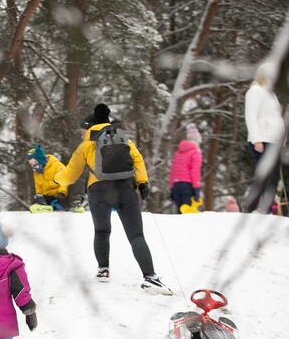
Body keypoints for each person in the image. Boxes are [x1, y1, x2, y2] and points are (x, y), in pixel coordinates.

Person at [55, 103, 172, 295]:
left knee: (102, 231)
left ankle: (103, 270)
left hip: (98, 191)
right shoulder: (124, 139)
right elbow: (138, 159)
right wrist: (143, 183)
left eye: (83, 130)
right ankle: (150, 277)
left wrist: (55, 178)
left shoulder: (86, 145)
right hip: (126, 189)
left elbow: (70, 175)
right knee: (136, 235)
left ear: (89, 127)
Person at [244, 62, 285, 212]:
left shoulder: (271, 94)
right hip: (262, 141)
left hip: (274, 142)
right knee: (265, 177)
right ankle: (250, 209)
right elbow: (251, 117)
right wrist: (257, 140)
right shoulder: (255, 91)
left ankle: (266, 210)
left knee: (274, 179)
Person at [168, 123, 203, 213]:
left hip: (176, 186)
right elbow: (195, 171)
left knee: (179, 214)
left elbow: (173, 171)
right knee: (188, 215)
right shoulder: (196, 152)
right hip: (188, 186)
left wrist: (172, 188)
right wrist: (196, 189)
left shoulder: (178, 152)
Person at [26, 144, 69, 211]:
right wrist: (39, 195)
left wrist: (62, 192)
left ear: (40, 159)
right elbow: (38, 186)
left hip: (59, 195)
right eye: (31, 164)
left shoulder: (56, 165)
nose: (34, 166)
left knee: (56, 204)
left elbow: (65, 180)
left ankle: (54, 207)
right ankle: (43, 206)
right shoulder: (37, 172)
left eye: (35, 163)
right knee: (36, 203)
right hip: (46, 196)